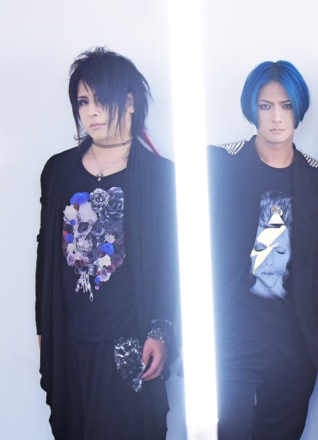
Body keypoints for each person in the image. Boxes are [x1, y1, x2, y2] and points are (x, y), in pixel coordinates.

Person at [35, 47, 179, 439]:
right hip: (70, 338)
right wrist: (43, 326)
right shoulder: (58, 171)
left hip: (127, 341)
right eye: (83, 101)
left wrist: (161, 330)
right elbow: (46, 251)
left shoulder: (159, 176)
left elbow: (171, 261)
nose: (92, 111)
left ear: (130, 102)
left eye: (101, 99)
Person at [207, 60, 318, 440]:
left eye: (286, 106)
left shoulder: (316, 176)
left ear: (298, 109)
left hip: (291, 342)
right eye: (266, 106)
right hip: (230, 336)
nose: (277, 117)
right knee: (228, 430)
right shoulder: (221, 161)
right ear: (252, 108)